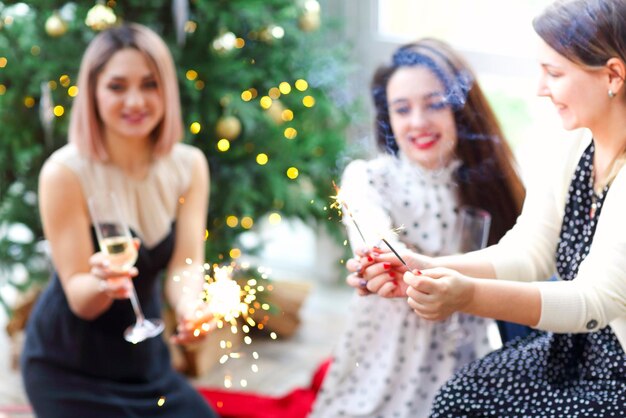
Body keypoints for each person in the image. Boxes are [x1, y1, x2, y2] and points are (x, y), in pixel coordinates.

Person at [352, 0, 626, 416]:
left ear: (612, 75)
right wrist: (423, 263)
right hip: (573, 349)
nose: (539, 87)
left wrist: (467, 296)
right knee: (456, 398)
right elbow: (529, 252)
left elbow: (592, 302)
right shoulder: (571, 145)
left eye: (554, 73)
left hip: (616, 369)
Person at [310, 38, 526, 418]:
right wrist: (379, 262)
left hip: (464, 351)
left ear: (460, 107)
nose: (418, 122)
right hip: (386, 356)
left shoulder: (488, 180)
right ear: (388, 119)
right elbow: (372, 235)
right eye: (402, 109)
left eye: (434, 104)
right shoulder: (368, 178)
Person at [21, 23, 218, 417]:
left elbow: (186, 263)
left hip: (145, 364)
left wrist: (191, 307)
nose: (135, 101)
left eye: (150, 84)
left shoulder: (189, 165)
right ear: (93, 92)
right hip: (68, 366)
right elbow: (81, 300)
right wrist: (101, 281)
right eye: (116, 86)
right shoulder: (64, 172)